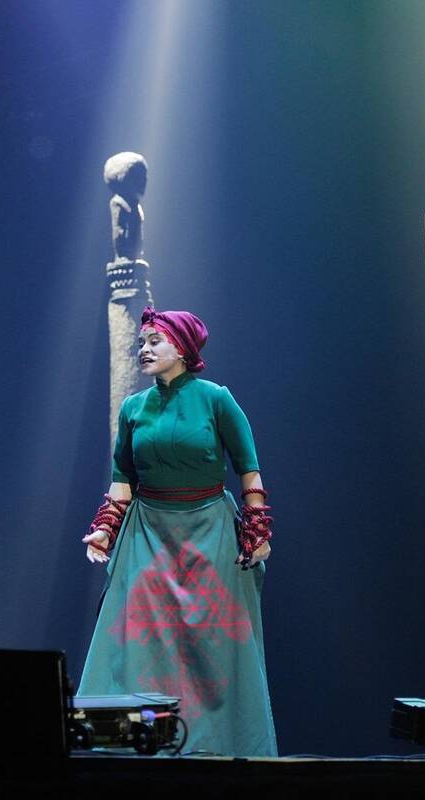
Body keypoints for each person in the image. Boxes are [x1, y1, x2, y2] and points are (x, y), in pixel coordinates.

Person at [78, 307, 277, 757]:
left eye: (155, 342)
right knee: (137, 639)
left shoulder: (216, 399)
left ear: (183, 348)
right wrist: (105, 530)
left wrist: (257, 531)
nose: (144, 350)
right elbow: (122, 479)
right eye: (142, 343)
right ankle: (131, 749)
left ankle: (218, 748)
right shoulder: (133, 407)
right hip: (148, 531)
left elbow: (249, 471)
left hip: (209, 529)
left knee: (213, 645)